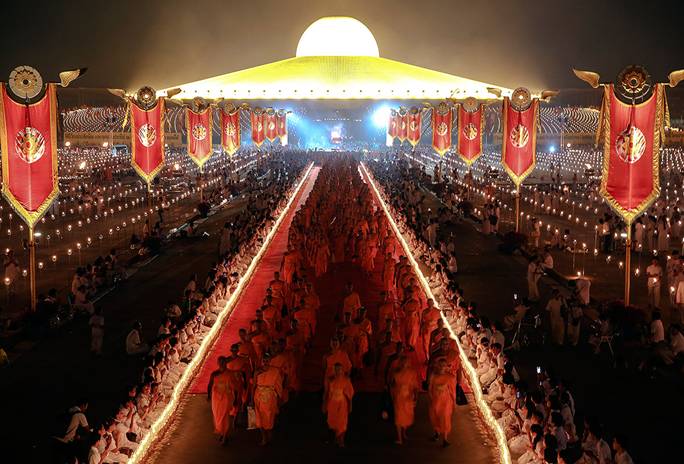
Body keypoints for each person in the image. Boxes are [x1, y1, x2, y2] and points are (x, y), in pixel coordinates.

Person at [253, 353, 283, 446]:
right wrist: (251, 399)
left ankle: (269, 435)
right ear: (261, 361)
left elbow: (279, 386)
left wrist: (279, 400)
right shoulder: (257, 371)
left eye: (267, 360)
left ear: (270, 361)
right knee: (259, 418)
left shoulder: (275, 371)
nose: (265, 362)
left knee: (269, 418)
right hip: (258, 397)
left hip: (270, 399)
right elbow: (254, 385)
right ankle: (264, 437)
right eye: (264, 360)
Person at [389, 356, 420, 445]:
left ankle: (404, 433)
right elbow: (392, 385)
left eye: (407, 362)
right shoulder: (396, 373)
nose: (405, 364)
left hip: (408, 397)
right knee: (398, 418)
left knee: (406, 416)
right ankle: (399, 438)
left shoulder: (412, 373)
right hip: (399, 397)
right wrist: (392, 395)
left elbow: (415, 386)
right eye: (404, 362)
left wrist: (415, 397)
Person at [323, 363, 354, 447]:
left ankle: (341, 440)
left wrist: (350, 405)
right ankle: (336, 439)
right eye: (336, 369)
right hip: (332, 403)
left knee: (342, 422)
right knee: (333, 422)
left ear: (342, 370)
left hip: (342, 404)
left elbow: (349, 394)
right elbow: (327, 393)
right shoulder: (331, 380)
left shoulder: (346, 380)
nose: (338, 371)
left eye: (339, 369)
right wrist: (325, 404)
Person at [208, 357, 237, 444]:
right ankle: (222, 432)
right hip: (216, 399)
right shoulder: (214, 374)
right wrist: (209, 395)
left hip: (226, 398)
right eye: (220, 362)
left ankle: (225, 436)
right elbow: (210, 385)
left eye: (223, 362)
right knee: (217, 416)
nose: (221, 363)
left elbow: (234, 387)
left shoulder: (230, 374)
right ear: (217, 363)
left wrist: (235, 399)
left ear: (226, 363)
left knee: (225, 417)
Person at [428, 358, 456, 447]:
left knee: (445, 418)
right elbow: (430, 388)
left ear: (446, 367)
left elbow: (452, 391)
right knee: (435, 417)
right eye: (440, 365)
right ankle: (436, 433)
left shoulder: (449, 377)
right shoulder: (433, 375)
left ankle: (445, 438)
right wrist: (432, 398)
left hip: (446, 401)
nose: (441, 367)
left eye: (443, 366)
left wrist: (453, 401)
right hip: (436, 400)